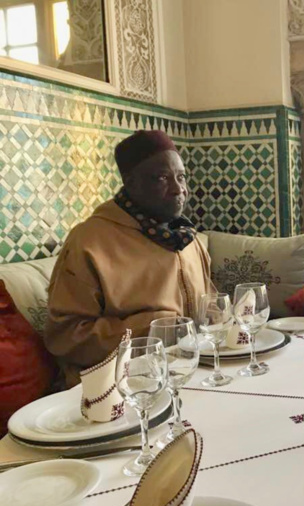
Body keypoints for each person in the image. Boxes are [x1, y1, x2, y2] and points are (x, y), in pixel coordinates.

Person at [45, 131, 212, 387]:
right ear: (130, 182)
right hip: (116, 388)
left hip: (189, 373)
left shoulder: (186, 238)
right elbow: (66, 337)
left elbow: (208, 306)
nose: (179, 189)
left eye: (181, 177)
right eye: (162, 178)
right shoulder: (90, 242)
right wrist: (152, 327)